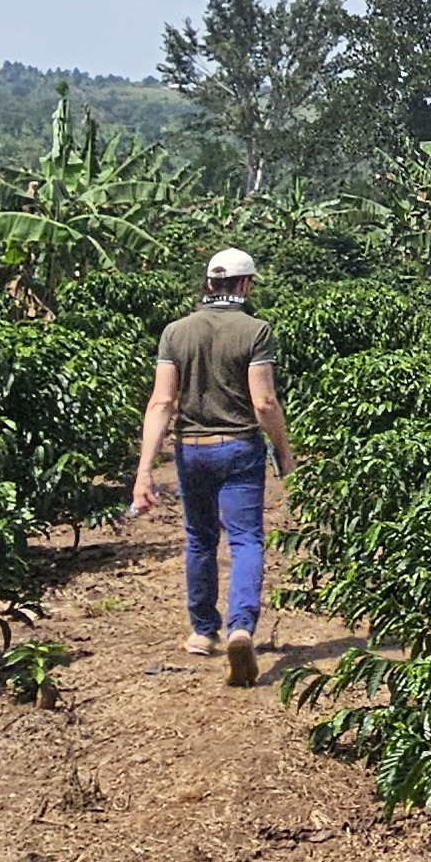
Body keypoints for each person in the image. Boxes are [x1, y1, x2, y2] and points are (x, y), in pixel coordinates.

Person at [132, 245, 293, 685]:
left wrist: (145, 470)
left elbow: (161, 402)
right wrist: (282, 450)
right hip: (239, 447)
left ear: (209, 283)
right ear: (245, 285)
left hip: (192, 450)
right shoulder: (255, 330)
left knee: (200, 539)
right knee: (245, 540)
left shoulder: (175, 332)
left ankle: (203, 632)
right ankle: (241, 627)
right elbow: (264, 402)